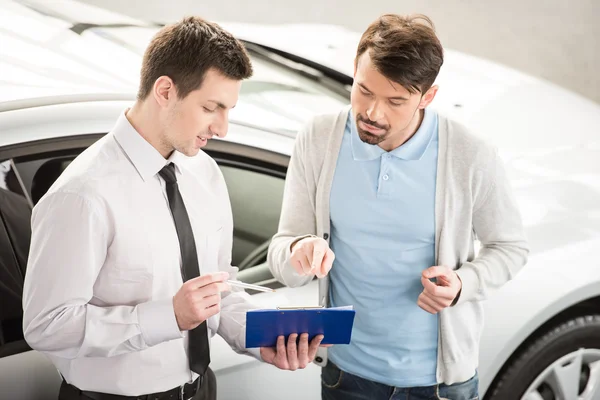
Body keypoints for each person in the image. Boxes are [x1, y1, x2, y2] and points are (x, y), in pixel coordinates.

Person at [22, 17, 323, 400]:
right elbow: (47, 325)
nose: (223, 128)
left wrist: (257, 339)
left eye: (228, 109)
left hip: (201, 389)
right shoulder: (83, 195)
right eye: (211, 107)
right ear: (165, 90)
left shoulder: (204, 172)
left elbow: (219, 290)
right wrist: (168, 317)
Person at [267, 13, 529, 400]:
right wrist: (298, 252)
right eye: (364, 91)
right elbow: (282, 251)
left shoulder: (470, 154)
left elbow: (511, 248)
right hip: (347, 376)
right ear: (354, 70)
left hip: (441, 386)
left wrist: (462, 284)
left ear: (427, 96)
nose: (373, 113)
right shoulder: (319, 138)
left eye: (395, 101)